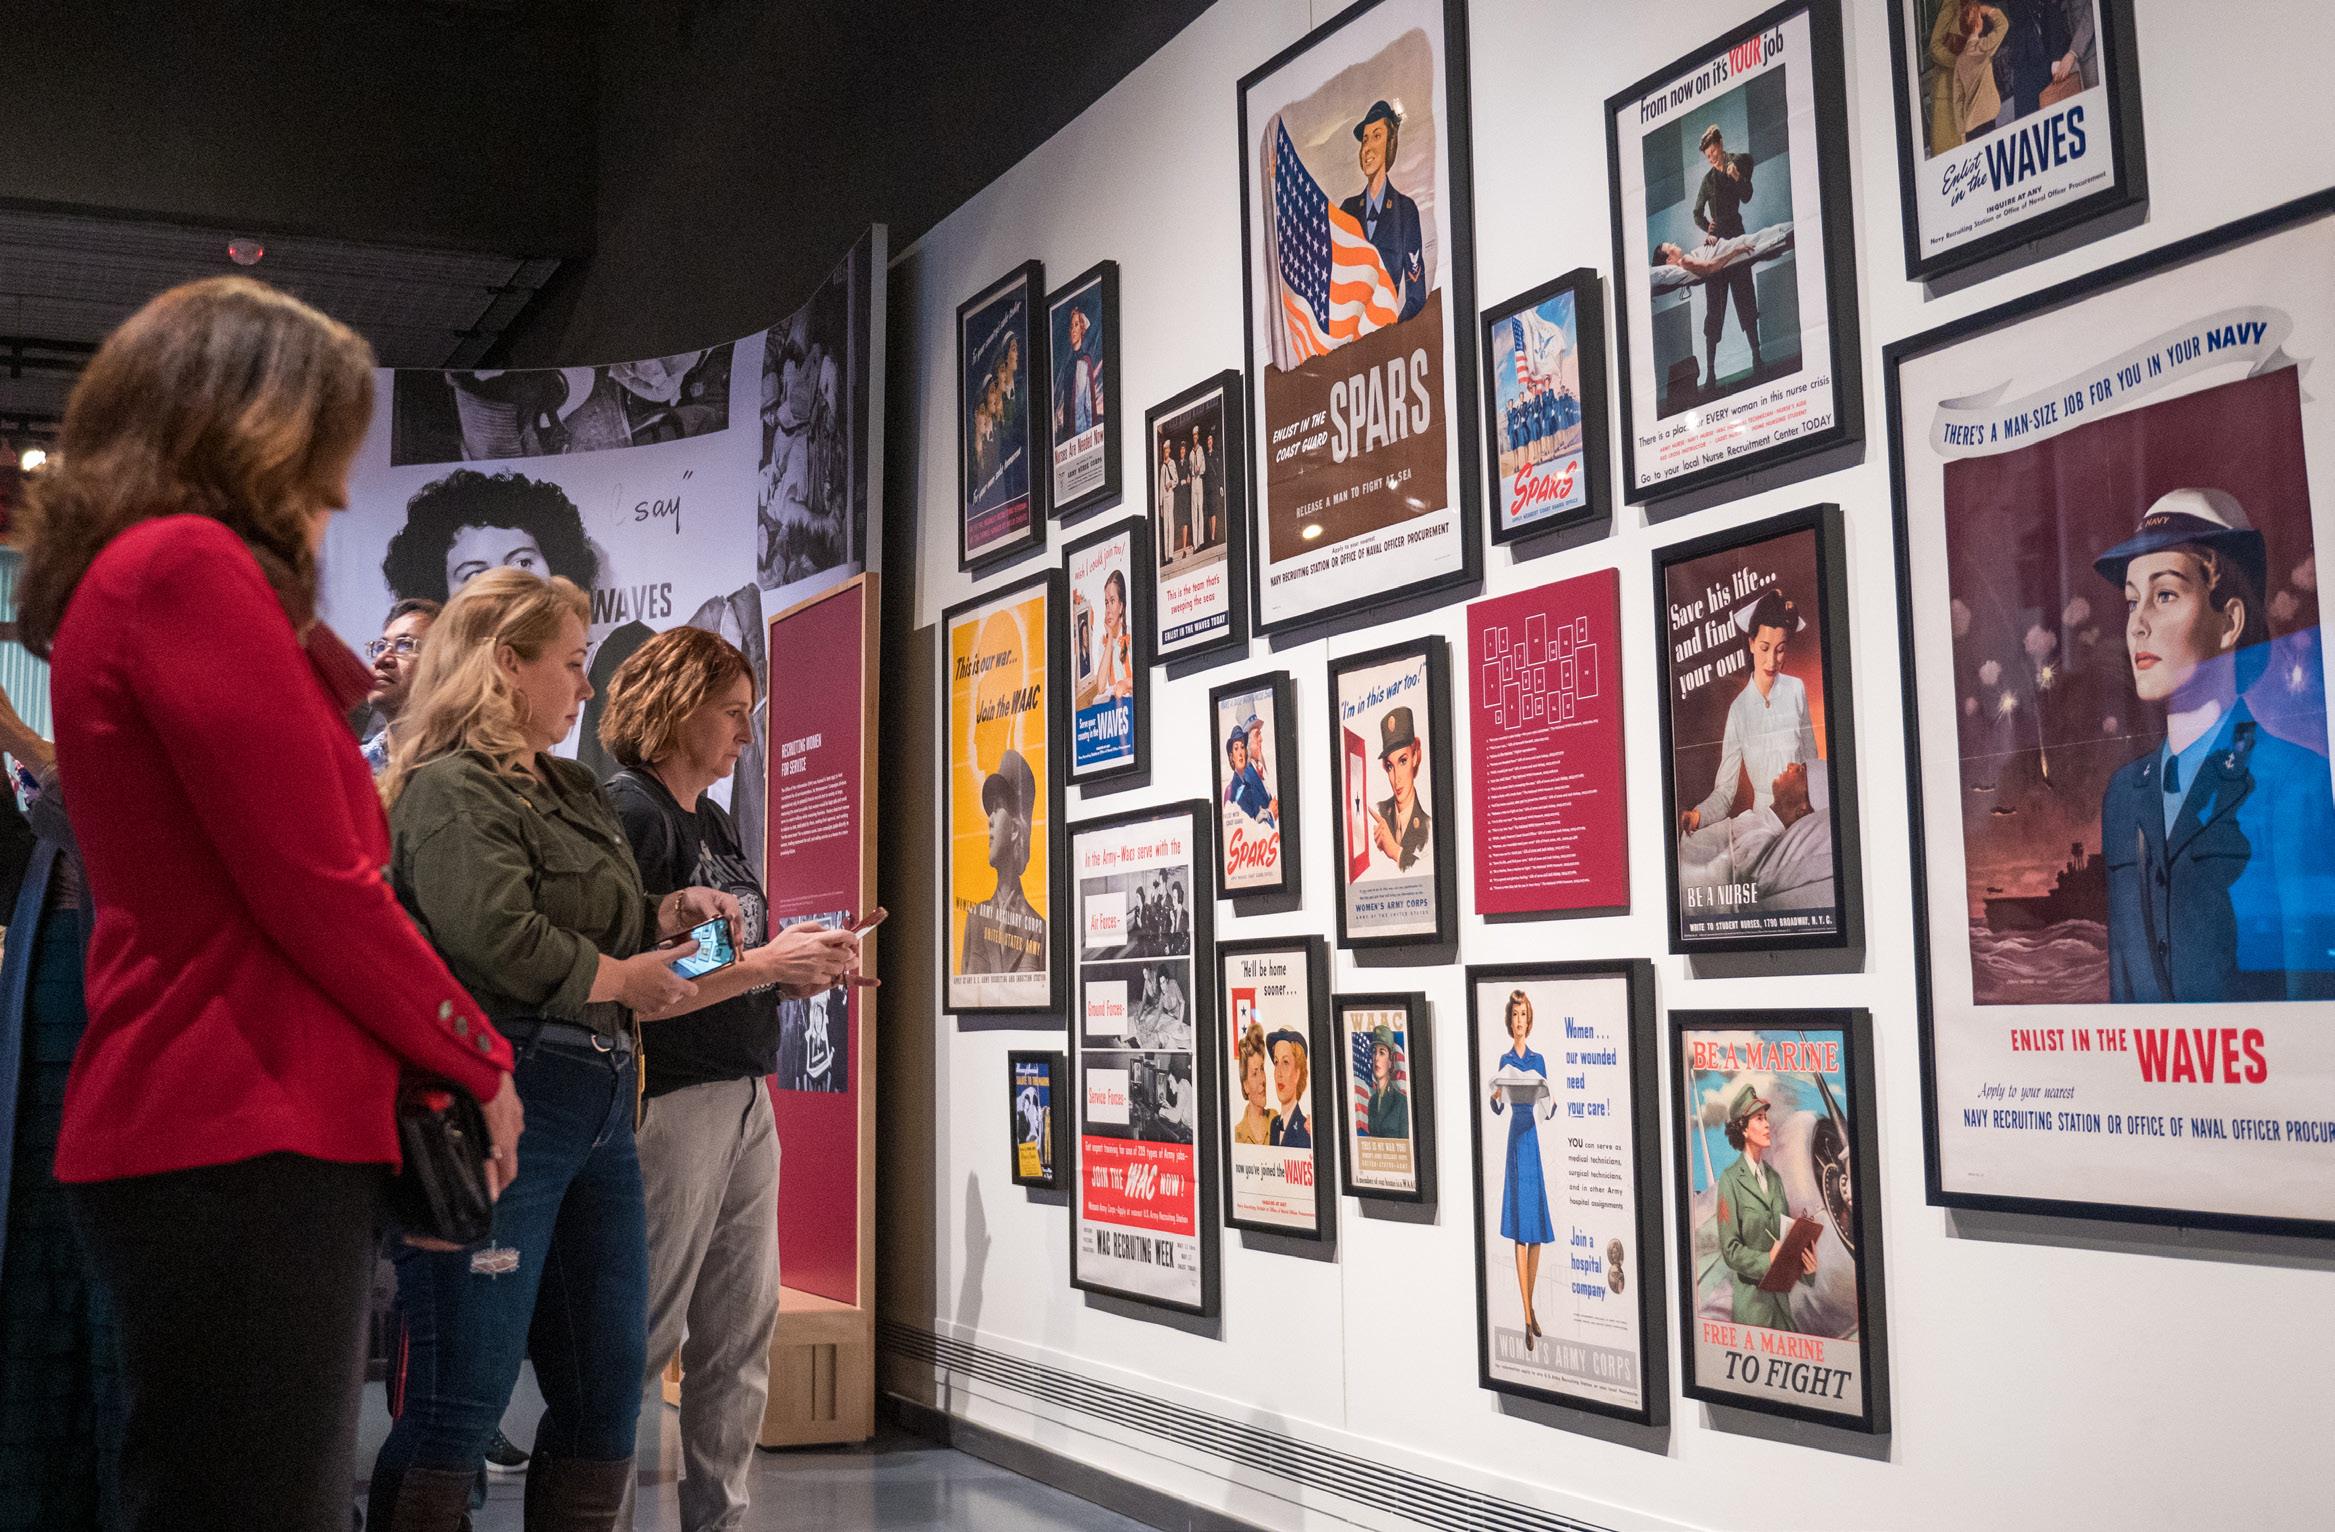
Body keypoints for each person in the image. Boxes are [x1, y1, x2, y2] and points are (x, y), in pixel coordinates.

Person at [16, 275, 523, 1532]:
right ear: (249, 426)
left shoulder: (145, 575)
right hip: (239, 1118)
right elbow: (319, 884)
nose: (337, 492)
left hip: (221, 1121)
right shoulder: (184, 568)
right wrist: (477, 1053)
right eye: (325, 446)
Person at [370, 568, 736, 1529]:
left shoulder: (568, 785)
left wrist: (667, 910)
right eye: (571, 663)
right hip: (502, 1096)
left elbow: (591, 914)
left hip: (602, 1102)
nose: (586, 686)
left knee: (608, 1389)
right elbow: (493, 935)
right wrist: (621, 979)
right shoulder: (447, 789)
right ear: (505, 663)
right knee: (462, 1396)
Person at [598, 625, 863, 1532]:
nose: (748, 735)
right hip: (670, 1099)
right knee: (640, 1337)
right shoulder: (633, 815)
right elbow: (640, 980)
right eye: (733, 713)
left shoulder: (708, 820)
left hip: (744, 1093)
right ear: (676, 709)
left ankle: (720, 1519)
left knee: (739, 1336)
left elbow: (716, 956)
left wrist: (792, 969)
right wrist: (765, 966)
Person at [2094, 489, 2335, 1001]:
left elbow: (2313, 998)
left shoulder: (2296, 782)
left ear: (2229, 622)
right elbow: (2124, 997)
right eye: (2133, 601)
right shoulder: (2123, 797)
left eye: (2164, 595)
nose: (2137, 625)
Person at [0, 714, 121, 1532]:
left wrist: (21, 739)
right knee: (41, 1320)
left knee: (121, 1323)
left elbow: (119, 825)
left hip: (129, 1029)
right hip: (48, 1007)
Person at [1679, 589, 1817, 837]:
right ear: (1752, 643)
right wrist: (1698, 816)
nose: (1772, 661)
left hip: (1803, 823)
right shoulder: (1739, 710)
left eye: (1780, 649)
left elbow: (1814, 766)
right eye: (1764, 647)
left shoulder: (1796, 689)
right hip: (1763, 828)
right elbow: (1725, 792)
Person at [380, 467, 599, 605]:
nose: (506, 584)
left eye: (522, 563)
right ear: (441, 598)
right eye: (475, 575)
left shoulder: (596, 660)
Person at [1714, 1085, 1816, 1332]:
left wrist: (1807, 1270)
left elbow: (1785, 1237)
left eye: (1766, 1118)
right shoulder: (1730, 1180)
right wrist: (1766, 1259)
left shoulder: (1775, 1179)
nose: (1768, 1124)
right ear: (1743, 1129)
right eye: (1759, 1119)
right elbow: (1730, 1250)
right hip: (1752, 1312)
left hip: (1782, 1308)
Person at [1488, 991, 1555, 1346]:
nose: (1519, 1021)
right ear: (1509, 1019)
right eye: (1515, 1015)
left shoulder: (1538, 1059)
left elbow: (1549, 1107)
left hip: (1533, 1137)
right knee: (1519, 1229)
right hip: (1516, 1137)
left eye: (1523, 1015)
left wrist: (1551, 1099)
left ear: (1529, 1020)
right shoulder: (1505, 1060)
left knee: (1536, 1231)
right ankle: (1527, 1317)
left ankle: (1529, 1309)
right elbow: (1498, 1107)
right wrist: (1495, 1097)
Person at [1340, 99, 1426, 321]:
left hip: (1386, 327)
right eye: (1365, 140)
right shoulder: (1348, 210)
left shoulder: (1405, 211)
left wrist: (1393, 332)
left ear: (1390, 143)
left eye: (1376, 136)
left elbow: (1416, 295)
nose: (1367, 148)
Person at [1690, 124, 1762, 389]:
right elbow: (1697, 213)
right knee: (1714, 308)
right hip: (1717, 243)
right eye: (1707, 155)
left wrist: (1738, 178)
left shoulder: (1738, 162)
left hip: (1737, 237)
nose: (1711, 158)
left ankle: (1757, 358)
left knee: (1745, 298)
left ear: (1720, 144)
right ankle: (1710, 374)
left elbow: (1747, 195)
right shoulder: (1707, 181)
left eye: (1713, 152)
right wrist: (1706, 226)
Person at [961, 748, 1044, 975]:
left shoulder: (1038, 928)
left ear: (1015, 830)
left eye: (997, 808)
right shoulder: (975, 919)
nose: (990, 820)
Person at [362, 596, 441, 772]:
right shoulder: (351, 767)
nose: (382, 658)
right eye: (380, 647)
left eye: (405, 645)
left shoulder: (463, 767)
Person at [1929, 0, 2011, 153]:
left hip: (1974, 103)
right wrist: (1965, 64)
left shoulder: (1977, 8)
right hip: (1947, 92)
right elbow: (1935, 47)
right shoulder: (1951, 4)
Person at [1649, 222, 1797, 294]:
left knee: (1766, 238)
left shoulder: (1686, 264)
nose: (1674, 245)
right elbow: (1709, 268)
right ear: (1669, 260)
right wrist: (1735, 252)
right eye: (1671, 247)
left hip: (1728, 247)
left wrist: (1709, 242)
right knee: (1768, 238)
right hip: (1734, 249)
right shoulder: (1685, 261)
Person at [1993, 0, 2080, 122]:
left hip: (2043, 52)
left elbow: (2052, 10)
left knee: (2054, 110)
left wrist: (2056, 56)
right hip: (2022, 57)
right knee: (2027, 118)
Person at [1370, 706, 1432, 871]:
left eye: (1403, 761)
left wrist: (1396, 853)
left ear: (1415, 756)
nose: (1396, 777)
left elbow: (1424, 868)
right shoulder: (1380, 811)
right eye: (1390, 766)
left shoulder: (1427, 826)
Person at [1054, 302, 1103, 442]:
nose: (1073, 330)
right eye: (1071, 326)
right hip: (1069, 435)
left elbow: (1089, 402)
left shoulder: (1085, 361)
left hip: (1082, 433)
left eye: (1076, 325)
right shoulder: (1068, 366)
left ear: (1082, 329)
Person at [1224, 725, 1276, 826]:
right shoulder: (1232, 790)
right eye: (1236, 748)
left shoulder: (1251, 779)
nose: (1240, 753)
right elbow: (1247, 824)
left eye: (1242, 747)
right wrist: (1269, 814)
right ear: (1231, 757)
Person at [1232, 1025, 1275, 1147]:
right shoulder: (1237, 1135)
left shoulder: (1276, 1120)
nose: (1262, 1079)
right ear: (1245, 1086)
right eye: (1255, 1073)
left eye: (1262, 1069)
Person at [1364, 1022, 1408, 1139]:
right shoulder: (1372, 1102)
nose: (1376, 1058)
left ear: (1390, 1061)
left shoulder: (1401, 1102)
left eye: (1382, 1052)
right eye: (1374, 1052)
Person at [1268, 1030, 1310, 1148]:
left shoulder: (1306, 1129)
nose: (1278, 1073)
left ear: (1297, 1073)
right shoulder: (1274, 1124)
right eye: (1276, 1062)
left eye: (1285, 1062)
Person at [1096, 569, 1133, 702]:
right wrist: (1110, 637)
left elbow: (1143, 675)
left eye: (1112, 601)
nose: (1108, 610)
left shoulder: (1131, 636)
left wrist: (1125, 683)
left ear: (1121, 606)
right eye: (1107, 603)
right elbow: (1100, 687)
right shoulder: (1104, 642)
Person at [1155, 440, 1181, 563]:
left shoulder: (1172, 463)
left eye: (1167, 450)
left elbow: (1176, 479)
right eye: (1164, 450)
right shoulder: (1162, 467)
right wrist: (1160, 504)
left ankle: (1170, 554)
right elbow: (1160, 486)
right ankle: (1166, 556)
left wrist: (1171, 483)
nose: (1166, 452)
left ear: (1169, 451)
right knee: (1165, 525)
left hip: (1170, 494)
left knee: (1171, 523)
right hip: (1164, 497)